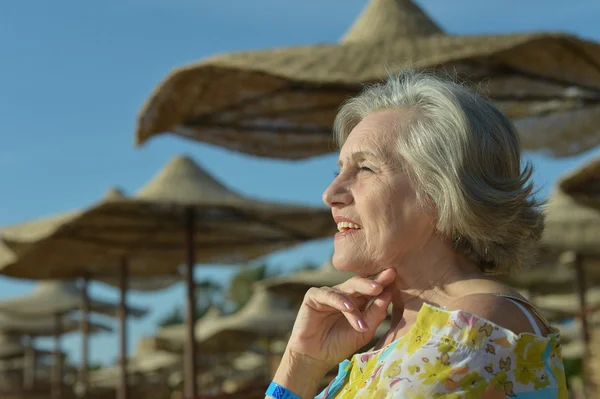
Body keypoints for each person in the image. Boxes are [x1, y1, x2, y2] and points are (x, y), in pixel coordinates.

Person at [264, 71, 567, 399]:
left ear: (442, 190)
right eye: (340, 171)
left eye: (365, 168)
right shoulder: (407, 338)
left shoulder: (475, 329)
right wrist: (302, 361)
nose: (330, 192)